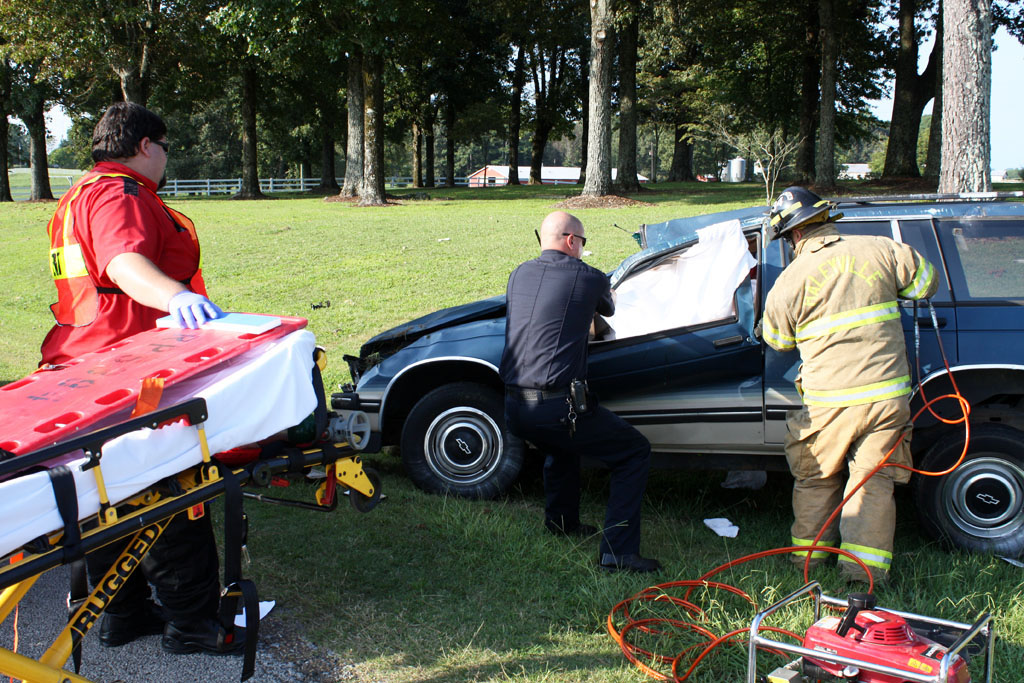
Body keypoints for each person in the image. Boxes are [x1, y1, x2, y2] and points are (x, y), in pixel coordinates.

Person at [40, 102, 241, 654]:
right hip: (129, 369)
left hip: (86, 362)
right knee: (174, 491)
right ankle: (193, 625)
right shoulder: (118, 195)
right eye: (166, 146)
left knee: (111, 496)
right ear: (146, 145)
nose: (167, 158)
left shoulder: (79, 194)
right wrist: (177, 298)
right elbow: (123, 263)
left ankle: (121, 613)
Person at [761, 186, 938, 584]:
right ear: (825, 219)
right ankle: (864, 574)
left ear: (792, 235)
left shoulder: (790, 281)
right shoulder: (882, 249)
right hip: (887, 397)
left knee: (816, 477)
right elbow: (926, 284)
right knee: (872, 480)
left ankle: (805, 562)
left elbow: (777, 341)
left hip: (830, 402)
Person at [500, 211, 660, 573]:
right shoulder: (590, 277)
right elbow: (610, 307)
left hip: (513, 407)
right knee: (633, 451)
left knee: (561, 445)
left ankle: (561, 522)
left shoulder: (519, 274)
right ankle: (618, 553)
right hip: (556, 407)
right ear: (572, 241)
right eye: (583, 243)